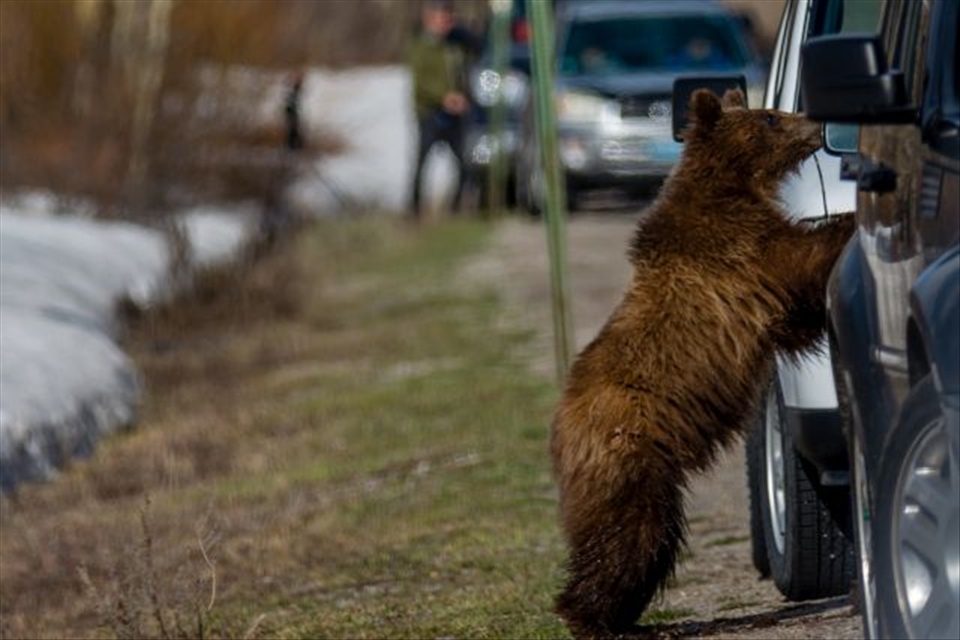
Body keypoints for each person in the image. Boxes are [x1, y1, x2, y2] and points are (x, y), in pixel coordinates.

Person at [407, 0, 477, 219]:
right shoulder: (420, 46)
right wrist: (444, 97)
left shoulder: (456, 45)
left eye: (450, 18)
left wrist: (463, 98)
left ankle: (454, 210)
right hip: (429, 113)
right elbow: (421, 84)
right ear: (430, 19)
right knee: (421, 164)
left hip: (455, 114)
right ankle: (415, 211)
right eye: (443, 18)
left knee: (464, 163)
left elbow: (465, 71)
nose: (447, 23)